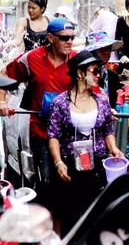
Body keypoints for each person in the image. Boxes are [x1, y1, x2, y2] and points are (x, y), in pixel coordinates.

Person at [0, 18, 77, 211]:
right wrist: (2, 101)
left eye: (72, 38)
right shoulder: (31, 58)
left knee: (72, 185)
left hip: (71, 133)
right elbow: (4, 75)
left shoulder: (77, 60)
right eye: (64, 38)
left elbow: (94, 89)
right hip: (41, 131)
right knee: (47, 182)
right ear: (50, 38)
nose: (69, 42)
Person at [47, 50, 124, 236]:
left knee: (96, 215)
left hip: (96, 165)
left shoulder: (102, 101)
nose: (99, 75)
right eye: (95, 71)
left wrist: (113, 148)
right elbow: (53, 136)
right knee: (71, 216)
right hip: (70, 166)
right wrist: (58, 163)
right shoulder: (60, 103)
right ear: (80, 73)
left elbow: (107, 130)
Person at [85, 30, 124, 108]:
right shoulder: (82, 75)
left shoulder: (113, 76)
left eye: (108, 48)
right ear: (92, 51)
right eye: (102, 49)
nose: (106, 52)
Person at [90, 6, 120, 71]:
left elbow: (90, 33)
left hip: (105, 61)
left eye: (97, 14)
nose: (96, 17)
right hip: (116, 61)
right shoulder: (116, 18)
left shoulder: (104, 15)